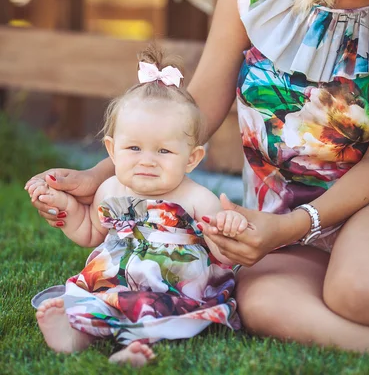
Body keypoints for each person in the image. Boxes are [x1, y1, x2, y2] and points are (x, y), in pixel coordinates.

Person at [26, 0, 369, 352]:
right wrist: (100, 175)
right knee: (263, 304)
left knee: (358, 291)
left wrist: (296, 224)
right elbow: (198, 102)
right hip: (276, 211)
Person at [26, 46, 245, 366]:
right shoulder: (111, 188)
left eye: (164, 152)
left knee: (151, 309)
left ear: (192, 158)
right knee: (95, 301)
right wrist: (65, 206)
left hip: (171, 285)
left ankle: (130, 347)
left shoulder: (197, 198)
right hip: (113, 279)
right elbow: (89, 231)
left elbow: (222, 253)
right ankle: (74, 335)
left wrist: (229, 228)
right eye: (134, 148)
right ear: (112, 151)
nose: (147, 161)